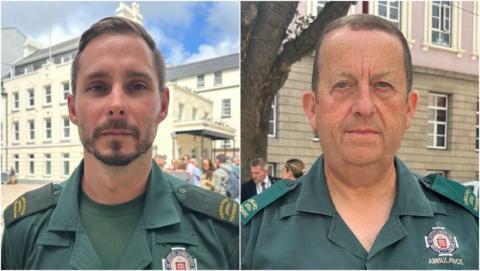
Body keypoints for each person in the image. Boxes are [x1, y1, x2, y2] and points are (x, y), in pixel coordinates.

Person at [241, 14, 478, 269]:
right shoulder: (251, 232)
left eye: (382, 85)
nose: (364, 106)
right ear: (313, 109)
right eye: (343, 85)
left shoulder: (468, 224)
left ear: (409, 109)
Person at [2, 17, 238, 270]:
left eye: (136, 86)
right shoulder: (24, 231)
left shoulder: (222, 232)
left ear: (163, 105)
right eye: (97, 87)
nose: (116, 105)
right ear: (73, 108)